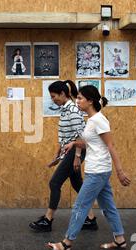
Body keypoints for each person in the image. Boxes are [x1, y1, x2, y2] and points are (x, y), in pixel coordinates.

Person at [46, 85, 131, 250]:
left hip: (98, 170)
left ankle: (67, 243)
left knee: (80, 206)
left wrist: (120, 171)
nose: (77, 101)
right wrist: (74, 143)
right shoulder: (91, 120)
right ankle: (120, 240)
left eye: (80, 98)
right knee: (108, 207)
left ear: (90, 101)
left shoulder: (99, 120)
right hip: (96, 169)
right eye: (76, 98)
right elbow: (90, 142)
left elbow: (110, 146)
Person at [29, 80, 97, 232]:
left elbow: (81, 135)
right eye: (51, 97)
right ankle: (91, 219)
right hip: (70, 151)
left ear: (62, 94)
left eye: (54, 96)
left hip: (76, 151)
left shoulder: (72, 109)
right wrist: (57, 155)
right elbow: (65, 135)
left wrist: (77, 157)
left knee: (54, 183)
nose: (53, 99)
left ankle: (48, 219)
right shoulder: (66, 109)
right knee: (77, 184)